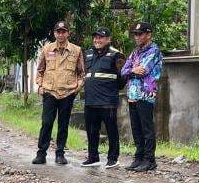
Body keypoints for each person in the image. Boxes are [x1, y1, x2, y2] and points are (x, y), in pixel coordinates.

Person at [32, 21, 84, 165]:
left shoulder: (76, 50)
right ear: (54, 33)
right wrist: (40, 85)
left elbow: (81, 73)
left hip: (67, 93)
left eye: (63, 31)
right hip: (49, 91)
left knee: (63, 124)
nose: (61, 34)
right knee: (46, 123)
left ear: (68, 33)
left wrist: (77, 88)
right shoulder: (47, 49)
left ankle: (60, 154)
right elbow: (40, 70)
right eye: (58, 31)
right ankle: (41, 153)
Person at [121, 22, 163, 172]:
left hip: (145, 93)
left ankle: (149, 159)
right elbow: (123, 71)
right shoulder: (135, 52)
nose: (137, 37)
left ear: (148, 34)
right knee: (136, 128)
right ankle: (138, 157)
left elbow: (143, 70)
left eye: (140, 34)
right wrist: (133, 70)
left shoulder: (154, 50)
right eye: (135, 34)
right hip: (132, 94)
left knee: (147, 128)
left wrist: (130, 70)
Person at [81, 27, 125, 168]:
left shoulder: (116, 55)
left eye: (100, 37)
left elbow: (122, 78)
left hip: (107, 101)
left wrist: (111, 90)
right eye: (95, 37)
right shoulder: (87, 54)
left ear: (108, 39)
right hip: (90, 100)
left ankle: (113, 158)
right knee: (92, 130)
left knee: (111, 130)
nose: (97, 40)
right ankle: (93, 157)